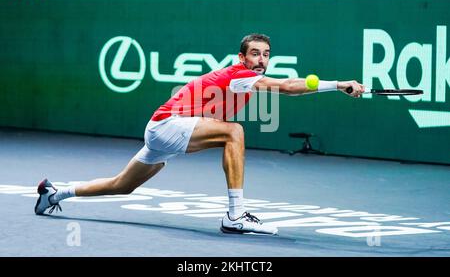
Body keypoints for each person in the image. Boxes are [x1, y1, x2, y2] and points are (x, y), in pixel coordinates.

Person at [34, 33, 365, 235]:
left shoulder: (246, 77)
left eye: (265, 54)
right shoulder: (240, 74)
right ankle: (235, 216)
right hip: (168, 125)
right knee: (234, 131)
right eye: (254, 53)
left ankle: (54, 193)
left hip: (164, 131)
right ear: (242, 57)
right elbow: (289, 88)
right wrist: (338, 85)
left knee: (123, 185)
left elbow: (285, 86)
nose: (261, 59)